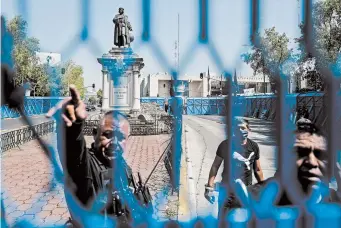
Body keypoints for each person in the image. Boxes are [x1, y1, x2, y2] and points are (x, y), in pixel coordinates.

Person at [46, 85, 149, 227]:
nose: (114, 143)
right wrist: (72, 127)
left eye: (121, 137)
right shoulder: (86, 166)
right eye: (107, 135)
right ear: (95, 134)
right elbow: (73, 153)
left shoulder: (123, 166)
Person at [226, 118, 341, 226]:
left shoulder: (334, 203)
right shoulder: (244, 203)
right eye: (300, 153)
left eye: (320, 155)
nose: (312, 162)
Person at [205, 118, 264, 220]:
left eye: (243, 128)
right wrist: (209, 187)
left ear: (249, 129)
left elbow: (258, 169)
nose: (240, 130)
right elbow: (215, 165)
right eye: (237, 128)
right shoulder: (225, 145)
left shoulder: (254, 146)